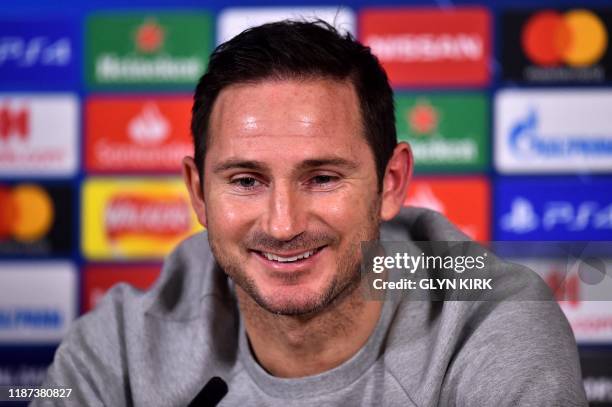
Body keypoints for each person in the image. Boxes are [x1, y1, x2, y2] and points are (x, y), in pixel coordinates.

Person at [36, 20, 587, 406]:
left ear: (390, 183)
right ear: (199, 193)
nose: (282, 224)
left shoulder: (491, 325)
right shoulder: (122, 345)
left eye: (322, 178)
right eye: (246, 180)